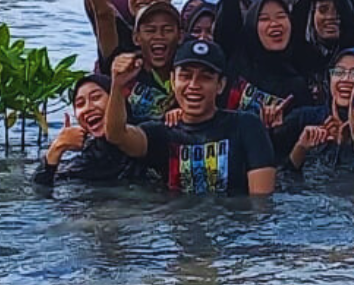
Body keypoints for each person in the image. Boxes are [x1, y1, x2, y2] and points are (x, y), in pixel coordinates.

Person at [104, 37, 277, 195]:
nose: (194, 85)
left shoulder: (246, 126)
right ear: (173, 81)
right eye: (185, 76)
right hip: (179, 221)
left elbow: (261, 203)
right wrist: (117, 85)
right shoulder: (162, 133)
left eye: (205, 78)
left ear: (220, 85)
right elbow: (116, 134)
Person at [32, 74, 146, 187]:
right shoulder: (92, 154)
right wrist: (58, 147)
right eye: (80, 104)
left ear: (116, 100)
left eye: (96, 98)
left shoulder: (146, 135)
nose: (88, 108)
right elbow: (40, 188)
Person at [285, 48, 354, 171]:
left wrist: (346, 144)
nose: (345, 80)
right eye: (338, 72)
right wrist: (300, 148)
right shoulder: (305, 118)